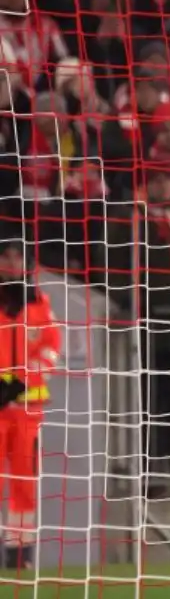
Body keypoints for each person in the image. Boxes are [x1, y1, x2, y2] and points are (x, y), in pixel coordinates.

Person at [0, 242, 59, 569]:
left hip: (27, 412)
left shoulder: (40, 302)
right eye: (5, 255)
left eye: (17, 255)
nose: (11, 261)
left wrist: (22, 381)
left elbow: (51, 347)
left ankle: (19, 555)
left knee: (25, 485)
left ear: (27, 261)